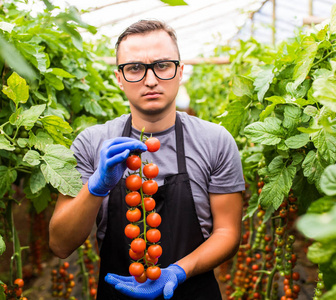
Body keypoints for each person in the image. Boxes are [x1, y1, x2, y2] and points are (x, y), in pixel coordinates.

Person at [49, 19, 245, 300]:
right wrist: (95, 188)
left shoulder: (215, 141)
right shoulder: (91, 143)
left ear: (180, 71)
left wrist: (179, 271)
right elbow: (59, 244)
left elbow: (228, 232)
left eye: (162, 65)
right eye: (135, 68)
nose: (150, 80)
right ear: (119, 77)